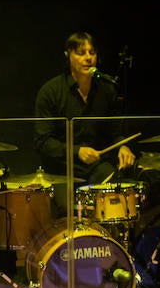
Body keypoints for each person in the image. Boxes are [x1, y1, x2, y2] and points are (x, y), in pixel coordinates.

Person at [33, 32, 137, 189]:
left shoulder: (107, 91)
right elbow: (42, 142)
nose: (88, 58)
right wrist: (77, 151)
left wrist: (122, 146)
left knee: (120, 189)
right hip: (61, 172)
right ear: (68, 56)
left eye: (92, 52)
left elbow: (113, 134)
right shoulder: (50, 92)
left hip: (97, 167)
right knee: (64, 208)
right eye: (81, 53)